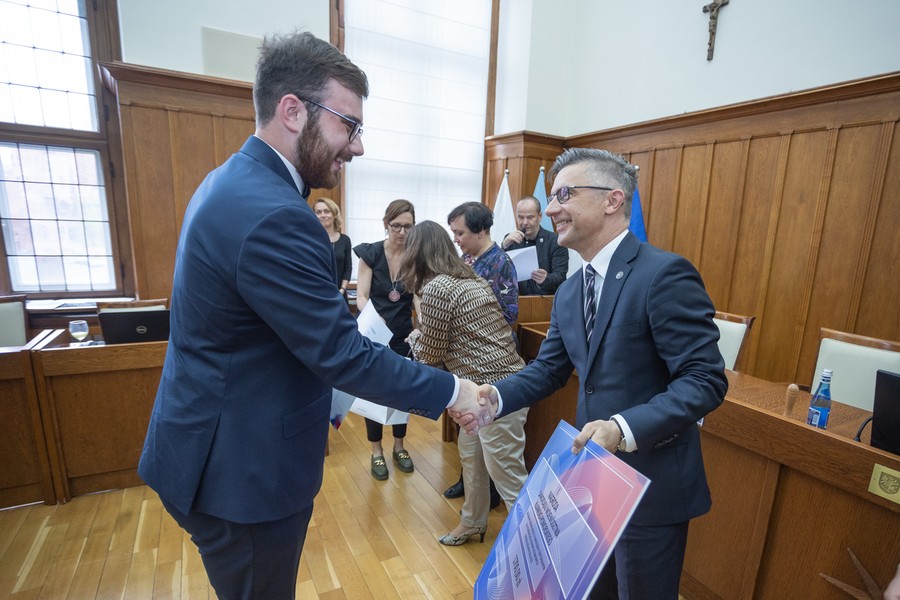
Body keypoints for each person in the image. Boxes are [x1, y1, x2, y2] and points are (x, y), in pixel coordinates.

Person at [137, 32, 483, 600]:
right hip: (242, 474)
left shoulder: (229, 181)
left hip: (209, 448)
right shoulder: (276, 213)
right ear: (293, 111)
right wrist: (454, 390)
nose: (358, 147)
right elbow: (342, 354)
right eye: (349, 125)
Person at [464, 148, 728, 600]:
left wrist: (621, 428)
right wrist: (498, 397)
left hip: (651, 484)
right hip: (593, 483)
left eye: (564, 194)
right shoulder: (570, 290)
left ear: (612, 200)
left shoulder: (664, 274)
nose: (550, 209)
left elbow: (705, 380)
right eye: (551, 198)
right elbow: (550, 369)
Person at [399, 221, 529, 546]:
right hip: (490, 388)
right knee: (471, 459)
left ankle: (533, 550)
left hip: (495, 394)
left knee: (508, 477)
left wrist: (414, 337)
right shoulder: (470, 278)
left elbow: (429, 357)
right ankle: (473, 521)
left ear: (416, 254)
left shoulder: (437, 289)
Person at [443, 201, 518, 502]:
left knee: (492, 439)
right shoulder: (465, 260)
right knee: (469, 434)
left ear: (481, 230)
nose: (456, 240)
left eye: (460, 233)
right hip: (466, 362)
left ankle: (492, 492)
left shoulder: (500, 263)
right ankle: (470, 487)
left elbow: (509, 314)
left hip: (493, 363)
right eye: (453, 233)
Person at [354, 199, 417, 480]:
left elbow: (417, 296)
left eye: (408, 226)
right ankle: (376, 450)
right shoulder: (370, 253)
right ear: (385, 224)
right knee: (374, 393)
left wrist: (423, 320)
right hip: (375, 332)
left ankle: (399, 446)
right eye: (396, 226)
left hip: (403, 334)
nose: (402, 232)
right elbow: (361, 296)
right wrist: (373, 319)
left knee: (403, 393)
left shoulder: (414, 256)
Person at [500, 196, 569, 295]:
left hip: (545, 301)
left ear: (539, 216)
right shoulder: (510, 240)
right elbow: (498, 274)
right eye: (521, 217)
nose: (525, 223)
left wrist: (546, 279)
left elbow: (561, 277)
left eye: (530, 217)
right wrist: (503, 247)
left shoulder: (555, 241)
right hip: (516, 300)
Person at [313, 197, 352, 297]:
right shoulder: (311, 240)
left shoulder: (345, 240)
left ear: (334, 214)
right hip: (317, 294)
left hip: (339, 294)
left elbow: (348, 269)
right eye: (318, 212)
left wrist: (342, 290)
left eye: (327, 211)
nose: (323, 215)